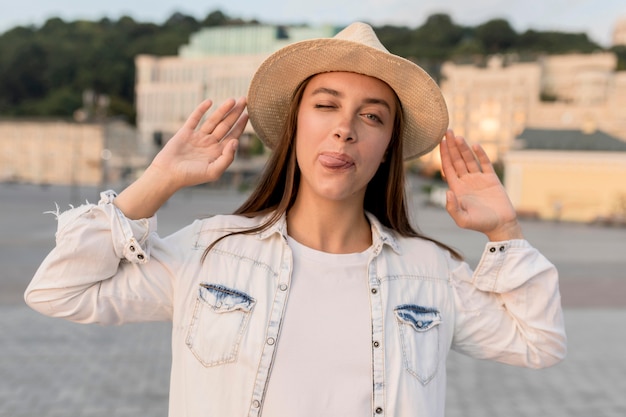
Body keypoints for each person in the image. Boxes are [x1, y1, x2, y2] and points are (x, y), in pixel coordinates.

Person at [25, 22, 566, 417]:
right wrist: (158, 180)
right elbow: (58, 290)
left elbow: (538, 342)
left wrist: (503, 231)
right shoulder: (211, 252)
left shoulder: (430, 272)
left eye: (372, 116)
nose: (345, 130)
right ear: (293, 126)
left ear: (387, 148)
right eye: (326, 105)